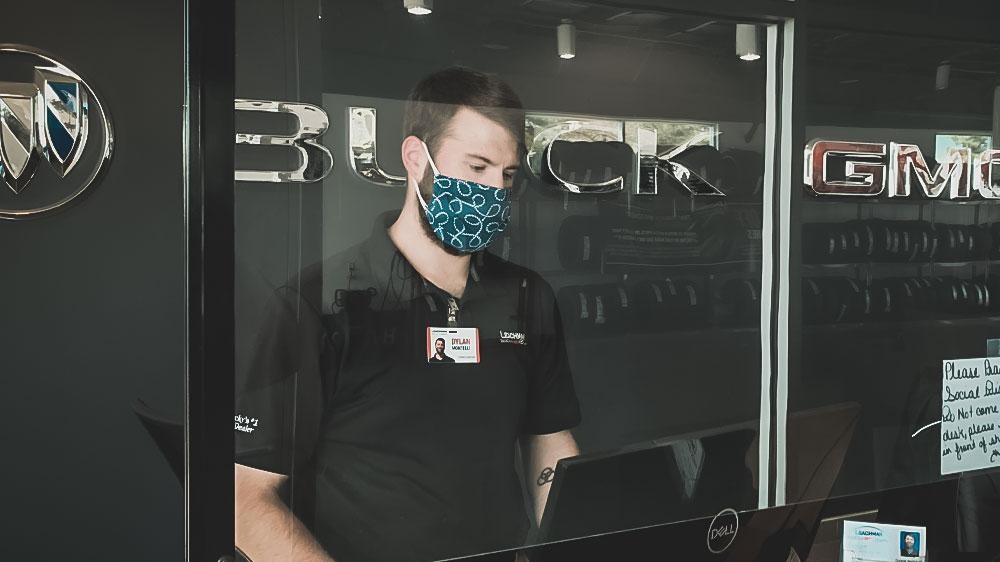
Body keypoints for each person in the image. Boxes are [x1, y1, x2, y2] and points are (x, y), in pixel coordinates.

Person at [234, 66, 581, 562]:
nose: (494, 192)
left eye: (506, 175)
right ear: (417, 158)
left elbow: (549, 441)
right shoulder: (316, 303)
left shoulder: (528, 296)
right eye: (476, 168)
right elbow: (245, 498)